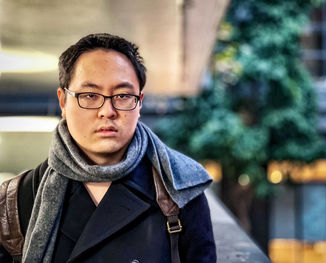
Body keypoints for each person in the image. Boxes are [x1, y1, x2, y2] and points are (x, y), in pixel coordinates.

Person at [0, 33, 216, 262]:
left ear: (139, 102)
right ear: (63, 102)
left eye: (122, 95)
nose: (107, 111)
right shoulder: (15, 200)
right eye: (90, 95)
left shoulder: (179, 190)